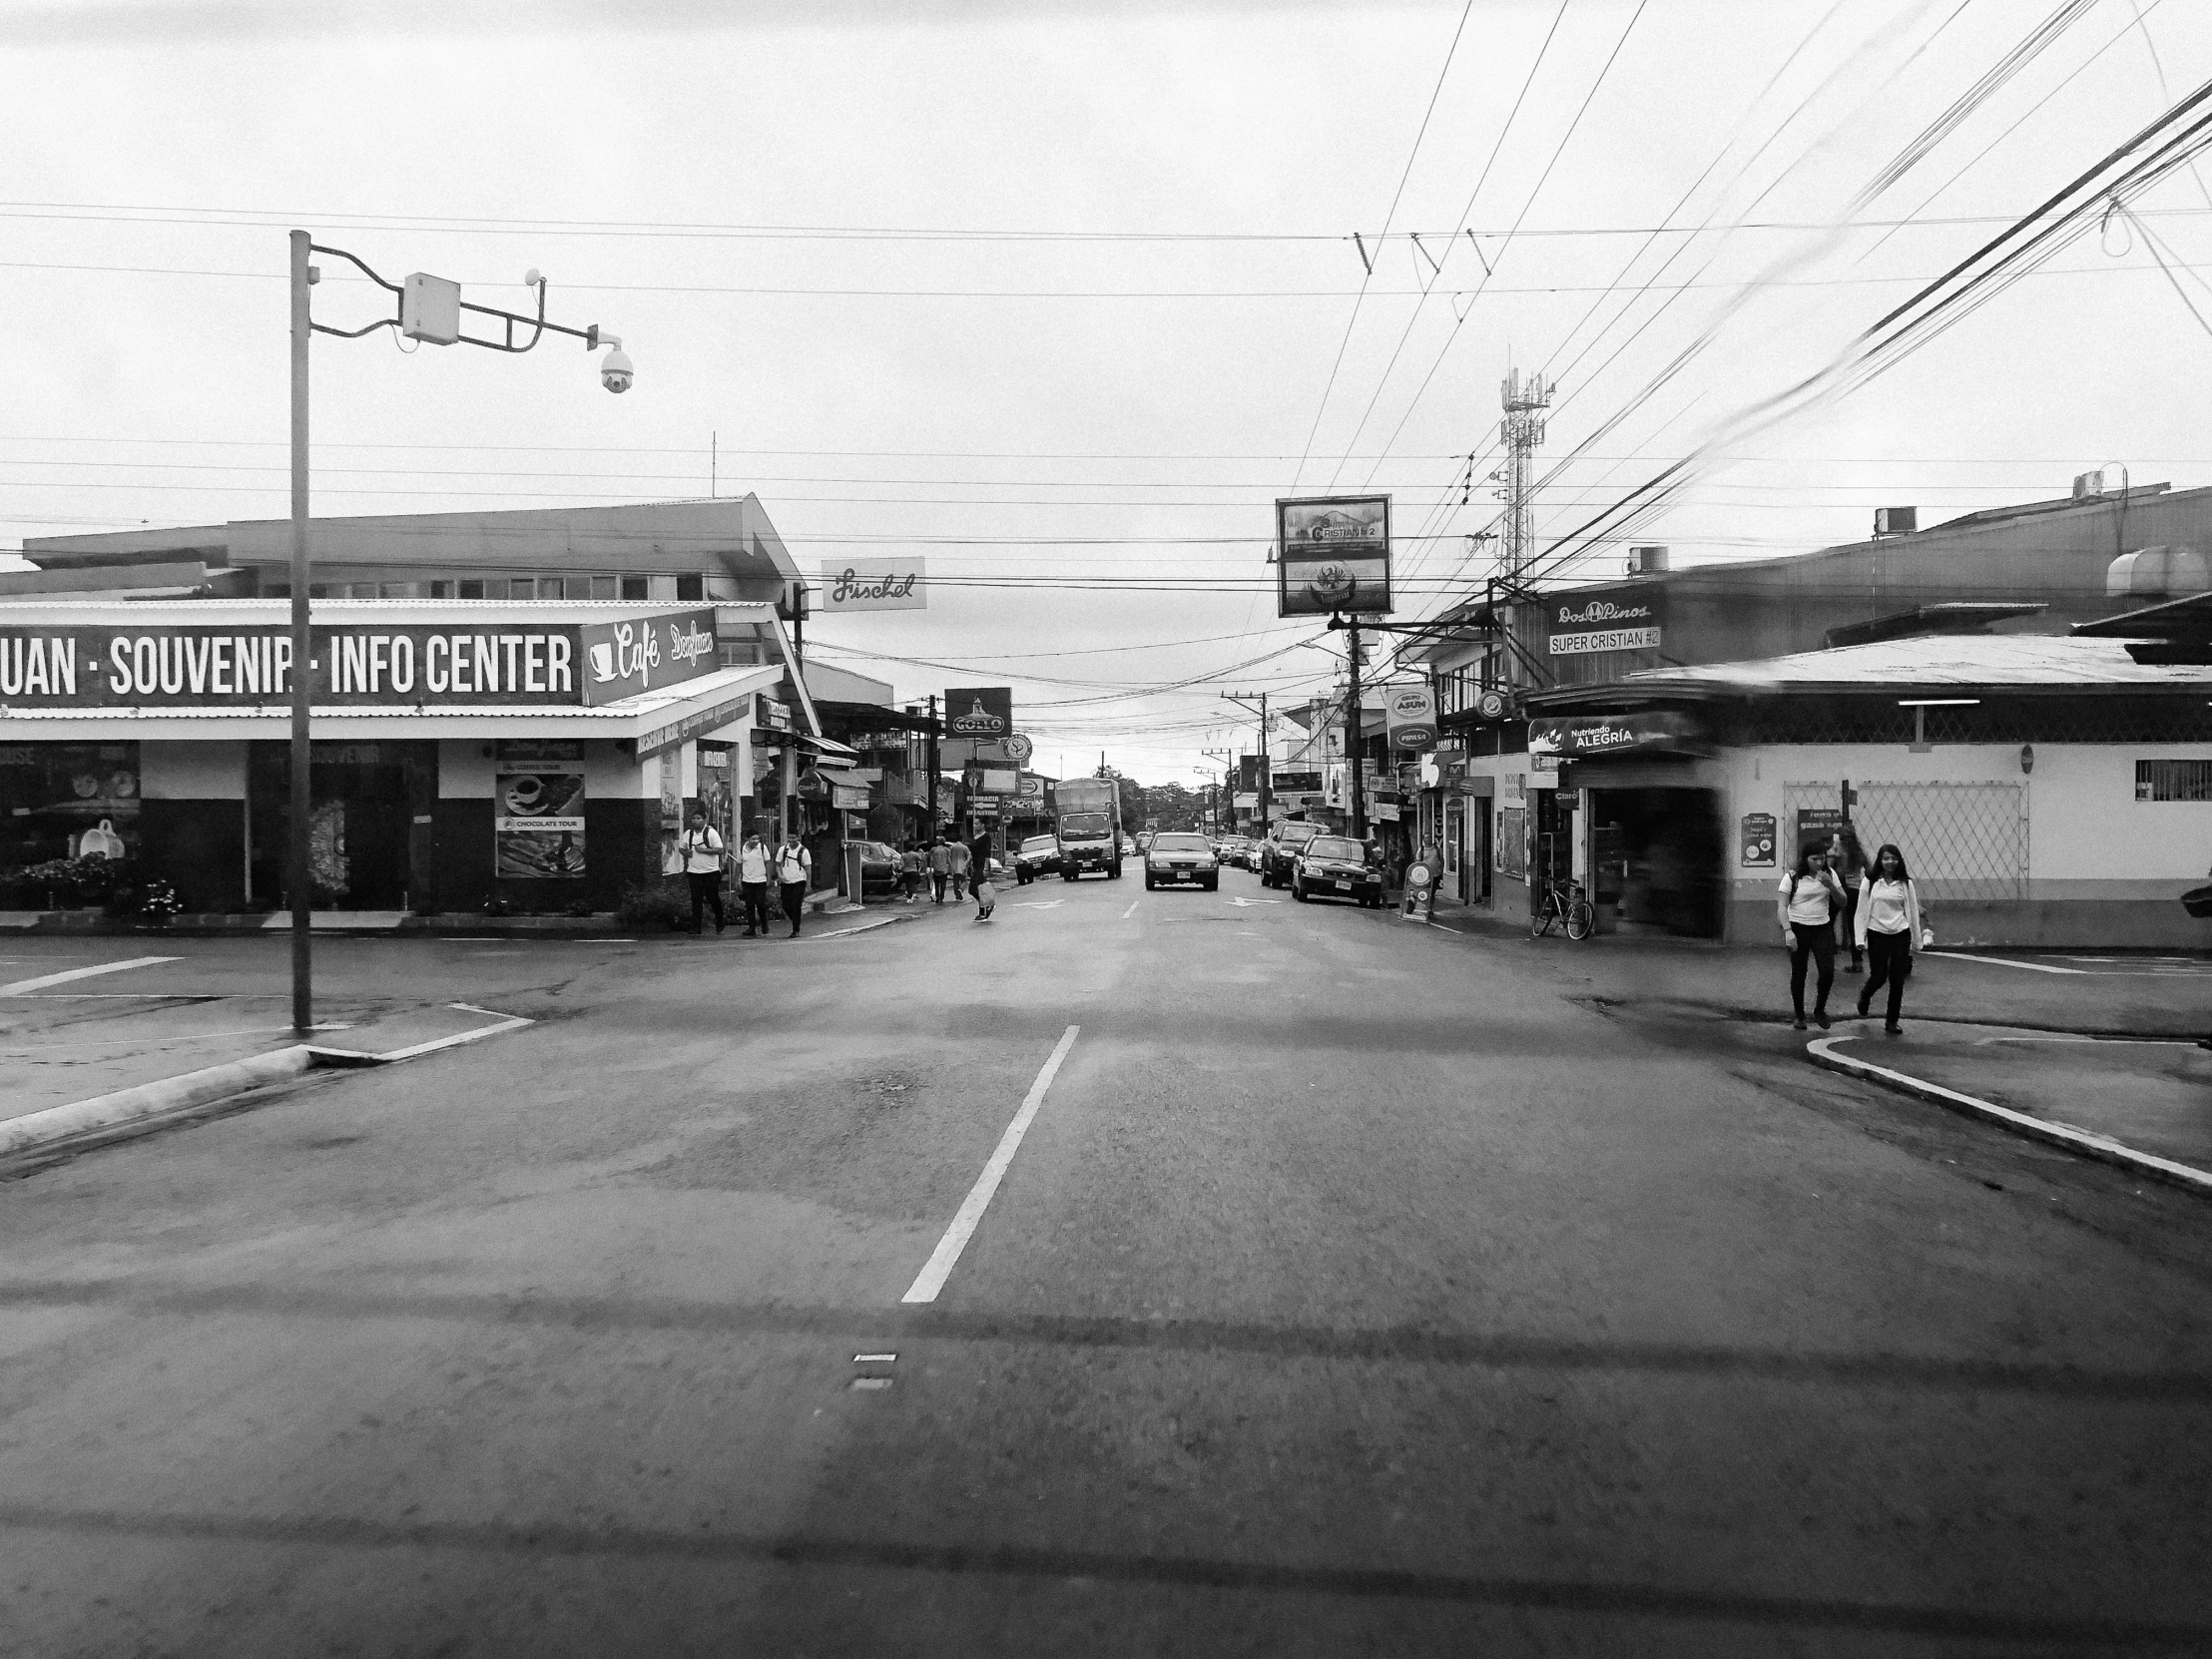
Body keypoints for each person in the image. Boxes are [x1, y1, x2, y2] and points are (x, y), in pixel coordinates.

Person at [1855, 842, 1926, 1035]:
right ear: (1880, 860)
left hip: (1900, 934)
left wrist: (1916, 941)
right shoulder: (1869, 882)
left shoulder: (1905, 883)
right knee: (1879, 976)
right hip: (1876, 933)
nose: (1890, 862)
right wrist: (1860, 938)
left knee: (1897, 979)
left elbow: (1912, 912)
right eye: (1886, 858)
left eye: (1894, 858)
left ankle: (1892, 1021)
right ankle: (1865, 995)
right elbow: (1861, 911)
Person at [1776, 842, 1848, 1030]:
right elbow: (1782, 906)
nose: (1818, 862)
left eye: (1822, 859)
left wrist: (1830, 885)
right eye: (1814, 859)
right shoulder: (1792, 877)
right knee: (1799, 972)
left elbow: (1843, 901)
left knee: (1827, 971)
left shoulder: (1829, 874)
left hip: (1821, 928)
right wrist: (1788, 931)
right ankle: (1799, 1015)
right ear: (1805, 859)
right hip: (1798, 927)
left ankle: (1819, 1010)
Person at [679, 808, 726, 935]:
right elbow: (681, 848)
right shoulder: (688, 834)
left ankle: (720, 920)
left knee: (712, 897)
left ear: (704, 820)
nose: (695, 821)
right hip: (694, 871)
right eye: (694, 818)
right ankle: (696, 926)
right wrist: (686, 853)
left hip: (710, 871)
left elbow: (720, 850)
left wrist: (704, 850)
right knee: (696, 899)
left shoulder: (711, 833)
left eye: (698, 818)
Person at [1828, 829, 1868, 975]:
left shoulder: (1838, 850)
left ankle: (1830, 957)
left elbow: (1834, 870)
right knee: (1853, 926)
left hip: (1840, 889)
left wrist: (1833, 855)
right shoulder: (1859, 852)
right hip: (1855, 890)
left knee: (1829, 921)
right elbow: (1869, 870)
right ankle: (1857, 963)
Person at [775, 830, 812, 937]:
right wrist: (780, 875)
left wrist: (808, 884)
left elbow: (808, 869)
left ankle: (796, 929)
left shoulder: (804, 851)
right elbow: (777, 864)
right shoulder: (783, 849)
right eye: (789, 838)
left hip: (799, 881)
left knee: (796, 905)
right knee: (786, 905)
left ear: (798, 837)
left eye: (793, 838)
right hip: (786, 881)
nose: (791, 840)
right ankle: (796, 920)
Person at [736, 830, 772, 937]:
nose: (756, 841)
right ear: (747, 839)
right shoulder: (742, 849)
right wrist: (736, 879)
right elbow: (739, 865)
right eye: (753, 839)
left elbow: (768, 863)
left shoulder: (762, 848)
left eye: (757, 839)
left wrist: (768, 878)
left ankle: (764, 923)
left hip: (760, 880)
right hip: (747, 881)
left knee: (760, 903)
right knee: (749, 905)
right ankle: (752, 928)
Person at [968, 827, 996, 921]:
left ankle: (983, 912)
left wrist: (986, 868)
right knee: (972, 890)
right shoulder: (975, 836)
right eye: (974, 824)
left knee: (977, 888)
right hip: (975, 866)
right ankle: (988, 904)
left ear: (982, 824)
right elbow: (972, 854)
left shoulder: (986, 837)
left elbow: (988, 854)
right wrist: (969, 865)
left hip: (982, 865)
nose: (975, 825)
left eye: (977, 823)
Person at [946, 833, 971, 901]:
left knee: (955, 881)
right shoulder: (964, 847)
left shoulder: (952, 848)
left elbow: (948, 857)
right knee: (964, 880)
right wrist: (966, 863)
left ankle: (957, 895)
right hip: (962, 866)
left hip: (954, 866)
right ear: (962, 839)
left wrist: (950, 864)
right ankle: (961, 889)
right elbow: (969, 857)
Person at [927, 836, 952, 903]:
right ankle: (941, 897)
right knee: (943, 885)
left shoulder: (933, 849)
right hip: (944, 870)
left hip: (936, 869)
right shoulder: (947, 850)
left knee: (936, 884)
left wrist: (930, 868)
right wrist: (951, 868)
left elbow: (931, 860)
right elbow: (949, 860)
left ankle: (937, 896)